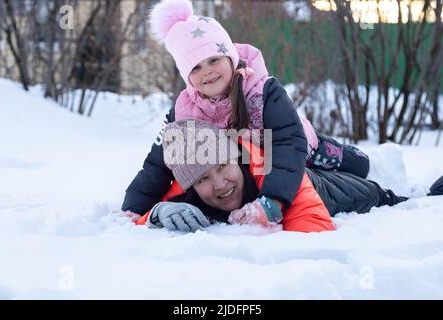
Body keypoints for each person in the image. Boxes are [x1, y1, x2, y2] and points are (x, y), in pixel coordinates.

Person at [122, 0, 369, 220]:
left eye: (213, 60)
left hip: (295, 144)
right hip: (250, 164)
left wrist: (272, 200)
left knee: (345, 164)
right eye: (195, 68)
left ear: (229, 56)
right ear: (187, 77)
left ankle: (359, 159)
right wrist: (134, 207)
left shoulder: (262, 90)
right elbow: (158, 164)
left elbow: (287, 143)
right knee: (300, 175)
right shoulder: (185, 112)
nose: (207, 71)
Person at [131, 120, 439, 233]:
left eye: (223, 166)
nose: (220, 184)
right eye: (203, 180)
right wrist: (158, 213)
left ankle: (422, 195)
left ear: (237, 158)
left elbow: (311, 228)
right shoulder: (185, 192)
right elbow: (137, 216)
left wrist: (264, 220)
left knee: (377, 196)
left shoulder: (272, 173)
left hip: (315, 186)